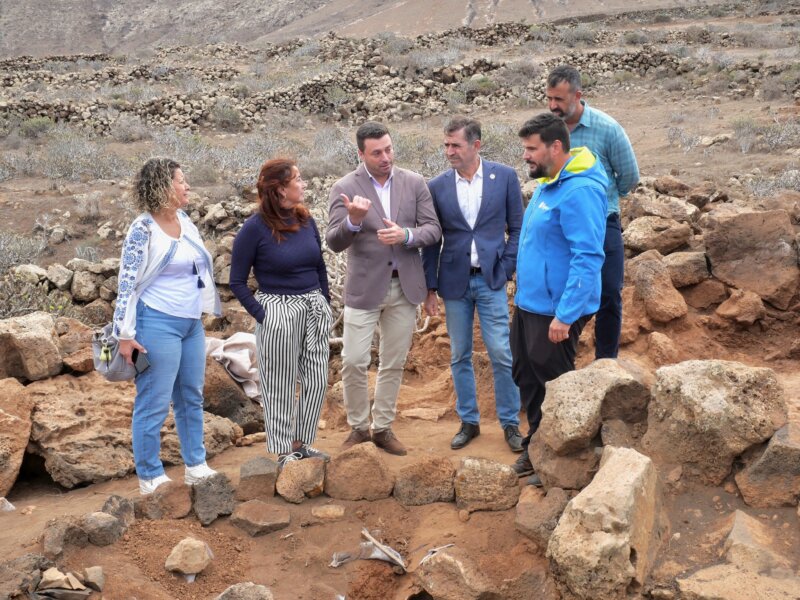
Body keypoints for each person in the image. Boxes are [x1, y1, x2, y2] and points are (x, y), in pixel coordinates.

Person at [327, 121, 441, 456]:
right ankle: (359, 428)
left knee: (393, 362)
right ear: (361, 153)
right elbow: (334, 241)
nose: (385, 157)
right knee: (353, 360)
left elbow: (433, 229)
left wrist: (406, 236)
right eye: (377, 152)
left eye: (389, 149)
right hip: (365, 289)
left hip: (405, 288)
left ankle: (383, 428)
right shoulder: (344, 186)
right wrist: (353, 222)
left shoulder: (414, 182)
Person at [114, 158, 222, 495]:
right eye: (181, 180)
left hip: (191, 323)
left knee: (191, 395)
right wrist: (125, 335)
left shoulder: (186, 221)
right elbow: (127, 282)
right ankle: (150, 475)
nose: (187, 186)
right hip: (155, 322)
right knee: (154, 401)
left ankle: (196, 465)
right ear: (163, 186)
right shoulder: (142, 228)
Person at [510, 113, 607, 484]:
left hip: (556, 309)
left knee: (556, 382)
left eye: (531, 149)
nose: (526, 156)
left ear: (555, 147)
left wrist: (565, 315)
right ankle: (538, 446)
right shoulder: (550, 183)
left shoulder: (580, 190)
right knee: (527, 375)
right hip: (530, 304)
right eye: (524, 149)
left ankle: (567, 458)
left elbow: (588, 257)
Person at [422, 117, 524, 453]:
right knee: (459, 354)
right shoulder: (436, 186)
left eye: (456, 145)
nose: (449, 151)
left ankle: (510, 423)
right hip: (454, 283)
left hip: (492, 279)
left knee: (500, 352)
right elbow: (431, 240)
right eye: (446, 145)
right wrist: (430, 287)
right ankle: (469, 422)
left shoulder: (504, 177)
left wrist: (507, 266)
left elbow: (517, 230)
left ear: (476, 145)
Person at [229, 159, 332, 468]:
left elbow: (319, 266)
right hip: (278, 308)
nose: (304, 184)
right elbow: (237, 281)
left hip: (313, 305)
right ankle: (286, 449)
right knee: (280, 383)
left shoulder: (305, 220)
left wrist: (324, 300)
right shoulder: (254, 228)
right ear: (279, 190)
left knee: (317, 380)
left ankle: (302, 442)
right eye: (297, 180)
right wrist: (263, 315)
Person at [545, 65, 639, 360]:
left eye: (559, 99)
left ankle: (606, 363)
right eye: (549, 98)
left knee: (609, 293)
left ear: (578, 95)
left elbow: (629, 177)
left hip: (602, 223)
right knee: (558, 291)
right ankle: (559, 363)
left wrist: (604, 200)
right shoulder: (548, 130)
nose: (552, 106)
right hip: (559, 225)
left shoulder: (607, 128)